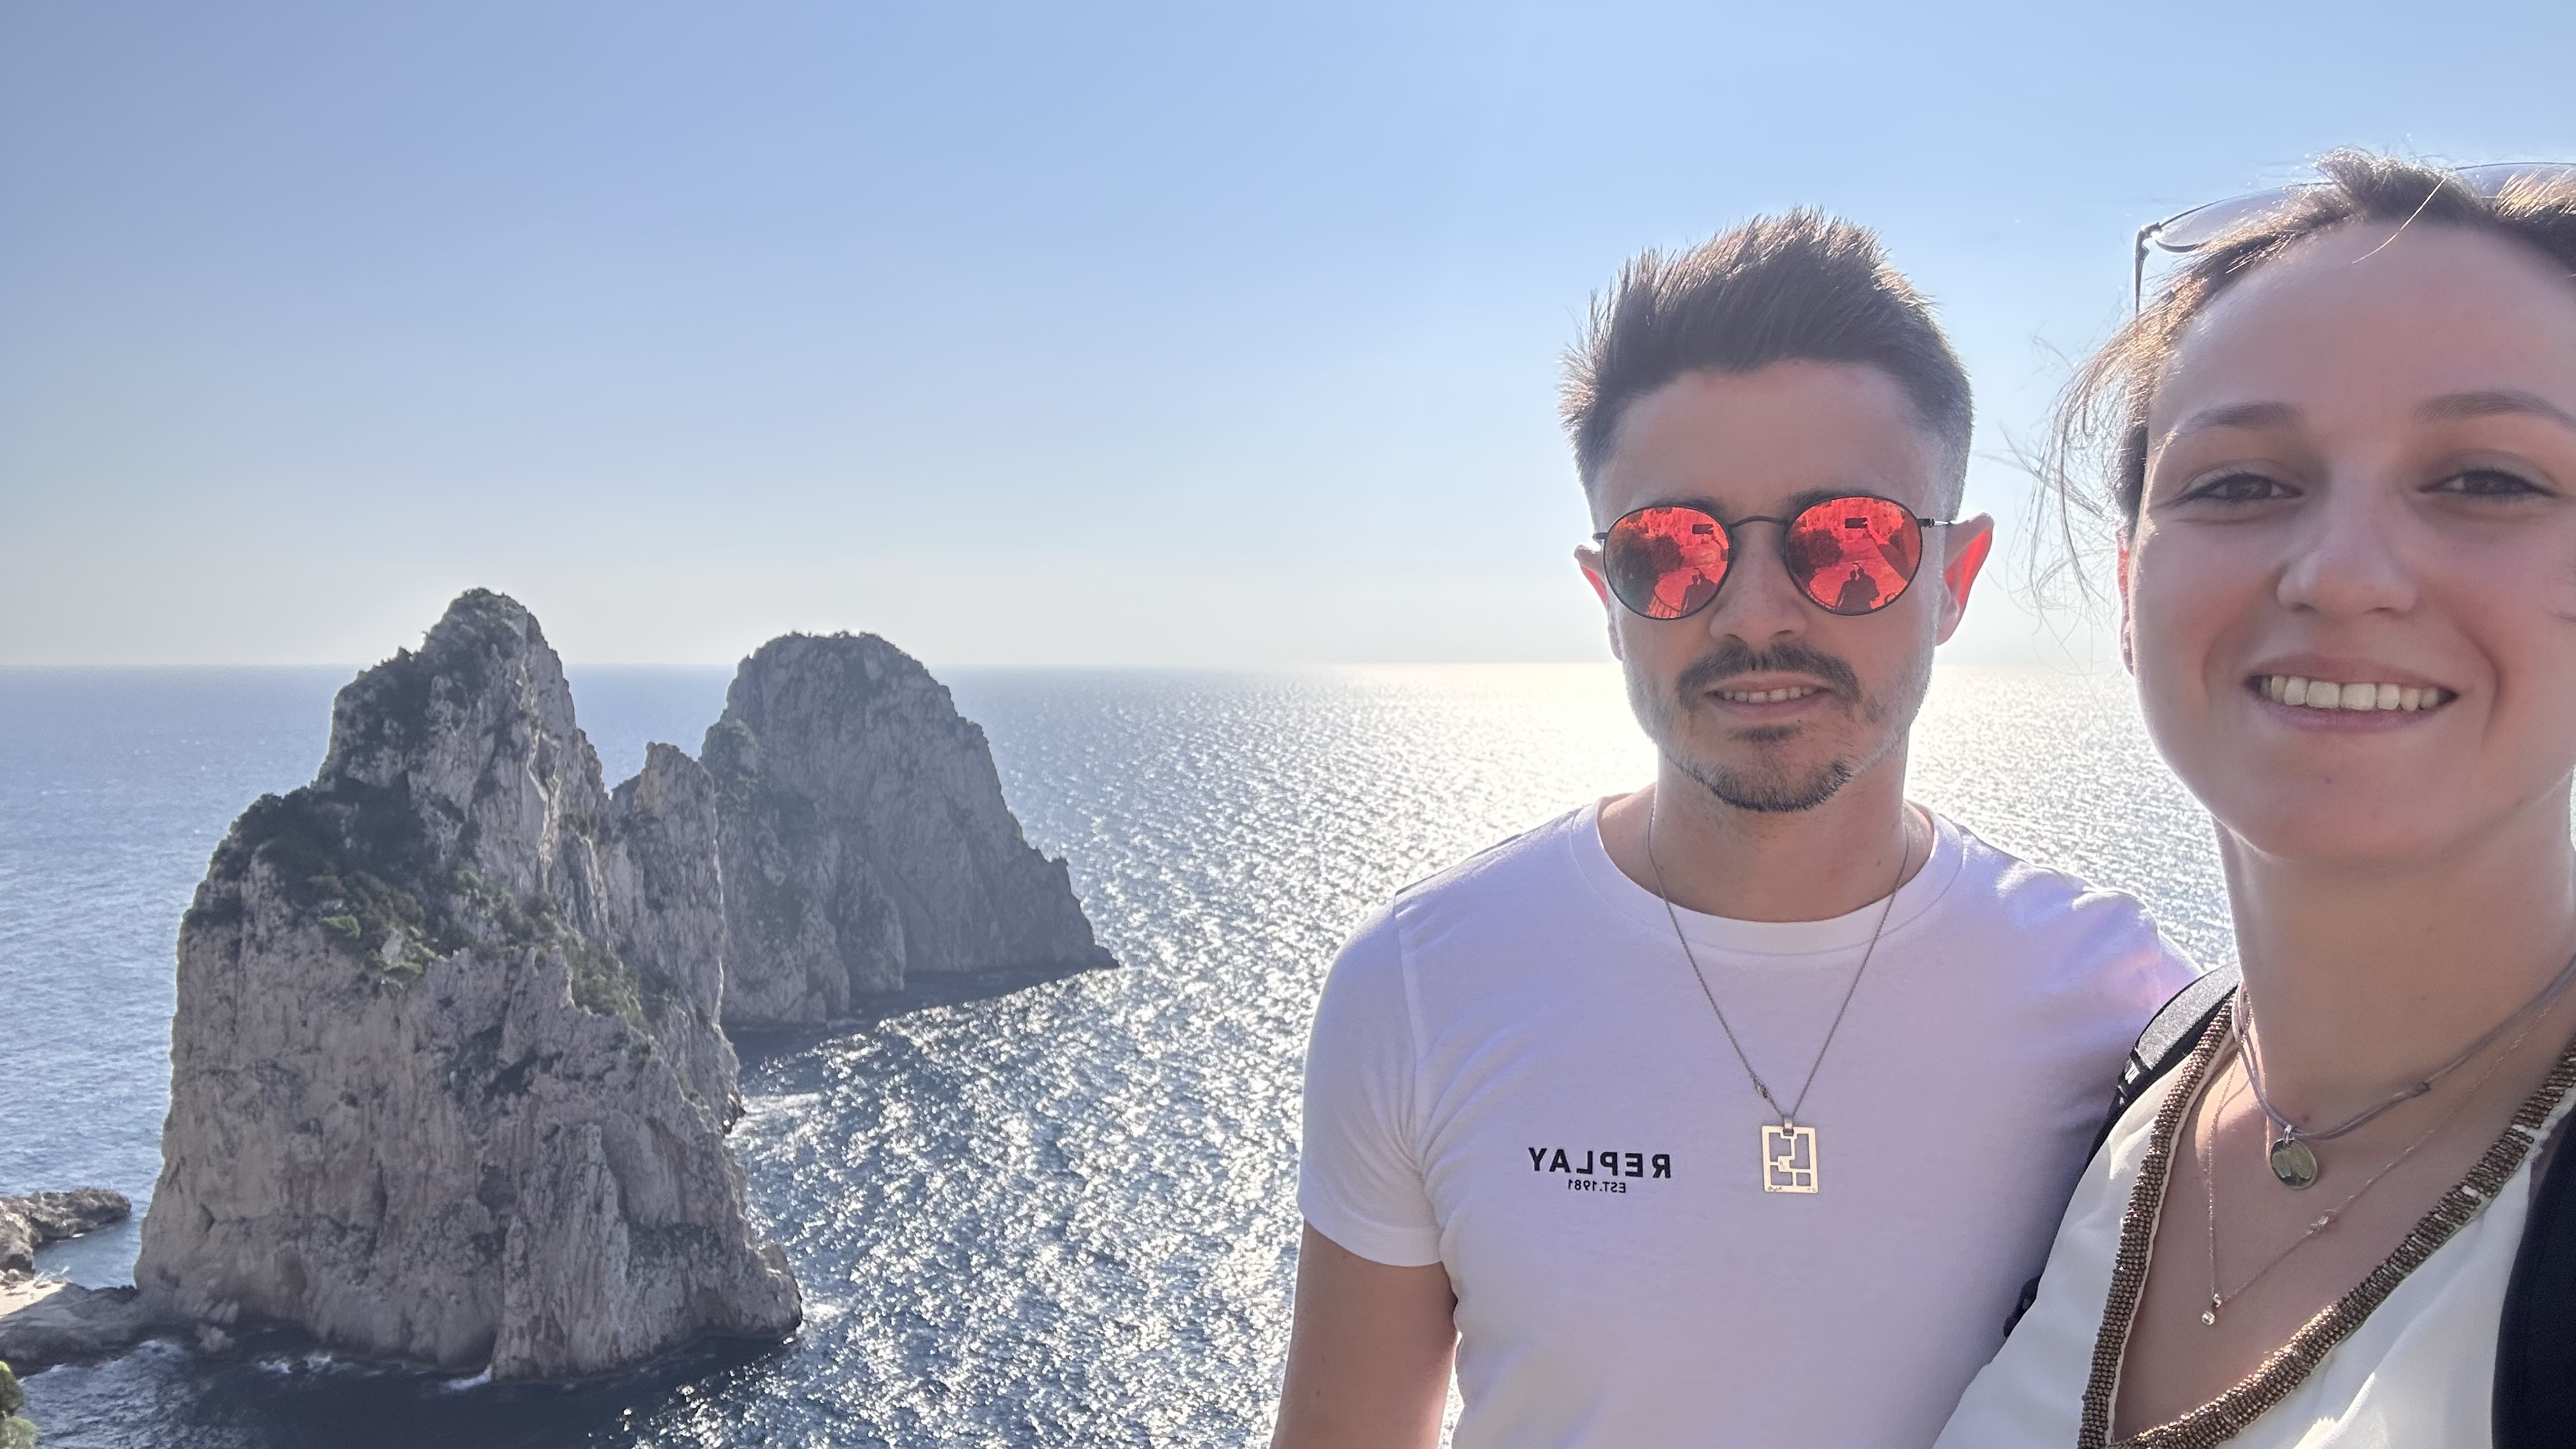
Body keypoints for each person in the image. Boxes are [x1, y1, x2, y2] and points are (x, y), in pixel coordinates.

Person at [1269, 212, 2198, 1449]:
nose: (1757, 614)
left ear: (1954, 579)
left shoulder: (2120, 1008)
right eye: (1672, 551)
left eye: (1850, 541)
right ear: (1609, 599)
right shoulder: (1423, 986)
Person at [1937, 151, 2576, 1448]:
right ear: (2131, 592)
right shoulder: (2124, 1108)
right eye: (2238, 484)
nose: (2342, 573)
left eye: (2489, 479)